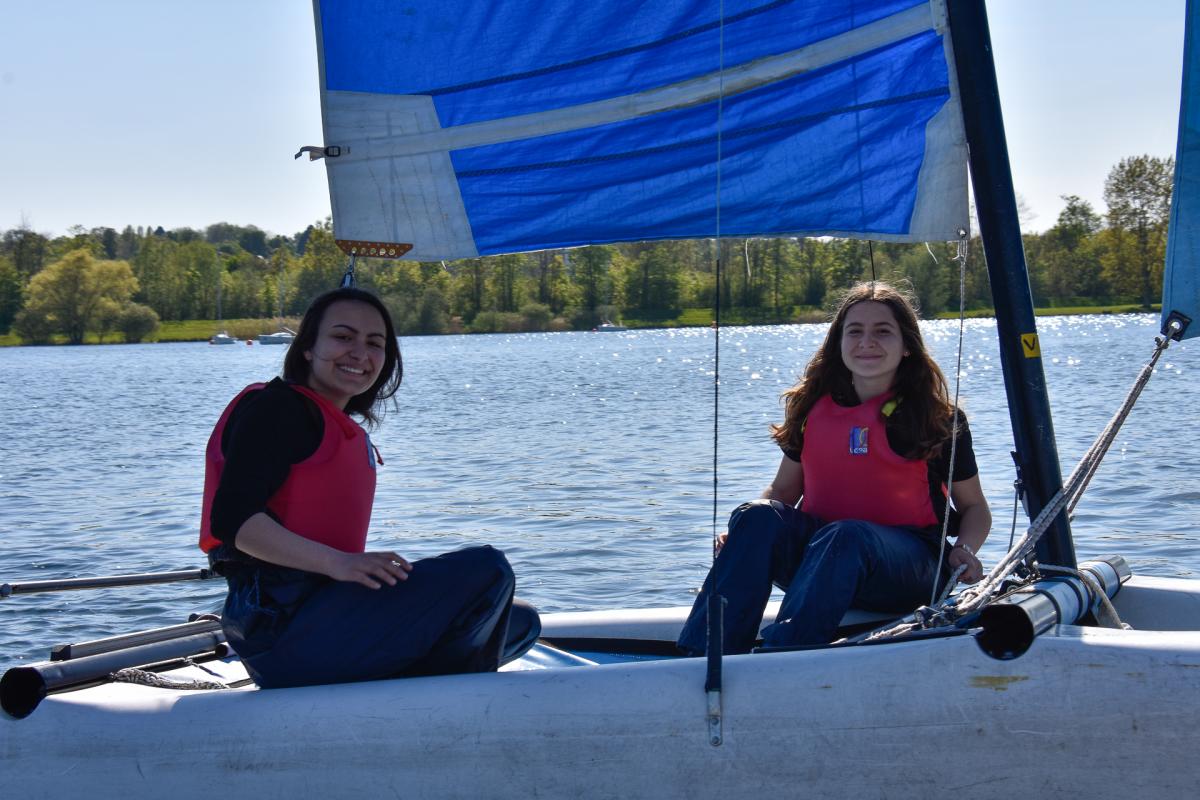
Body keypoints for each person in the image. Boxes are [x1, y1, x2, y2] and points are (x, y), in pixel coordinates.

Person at [199, 287, 540, 688]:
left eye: (374, 343)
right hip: (280, 629)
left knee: (519, 621)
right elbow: (234, 522)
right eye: (343, 337)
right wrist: (340, 563)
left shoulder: (331, 422)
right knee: (487, 571)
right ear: (308, 347)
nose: (360, 353)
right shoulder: (278, 408)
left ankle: (406, 690)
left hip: (323, 615)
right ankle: (443, 701)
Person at [678, 282, 991, 654]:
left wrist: (965, 549)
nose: (866, 342)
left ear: (907, 345)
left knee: (846, 535)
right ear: (839, 344)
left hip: (912, 569)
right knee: (755, 516)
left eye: (882, 331)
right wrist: (743, 534)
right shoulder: (812, 410)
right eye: (854, 331)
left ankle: (783, 656)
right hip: (822, 560)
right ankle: (704, 655)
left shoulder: (937, 419)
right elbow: (782, 492)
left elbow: (974, 507)